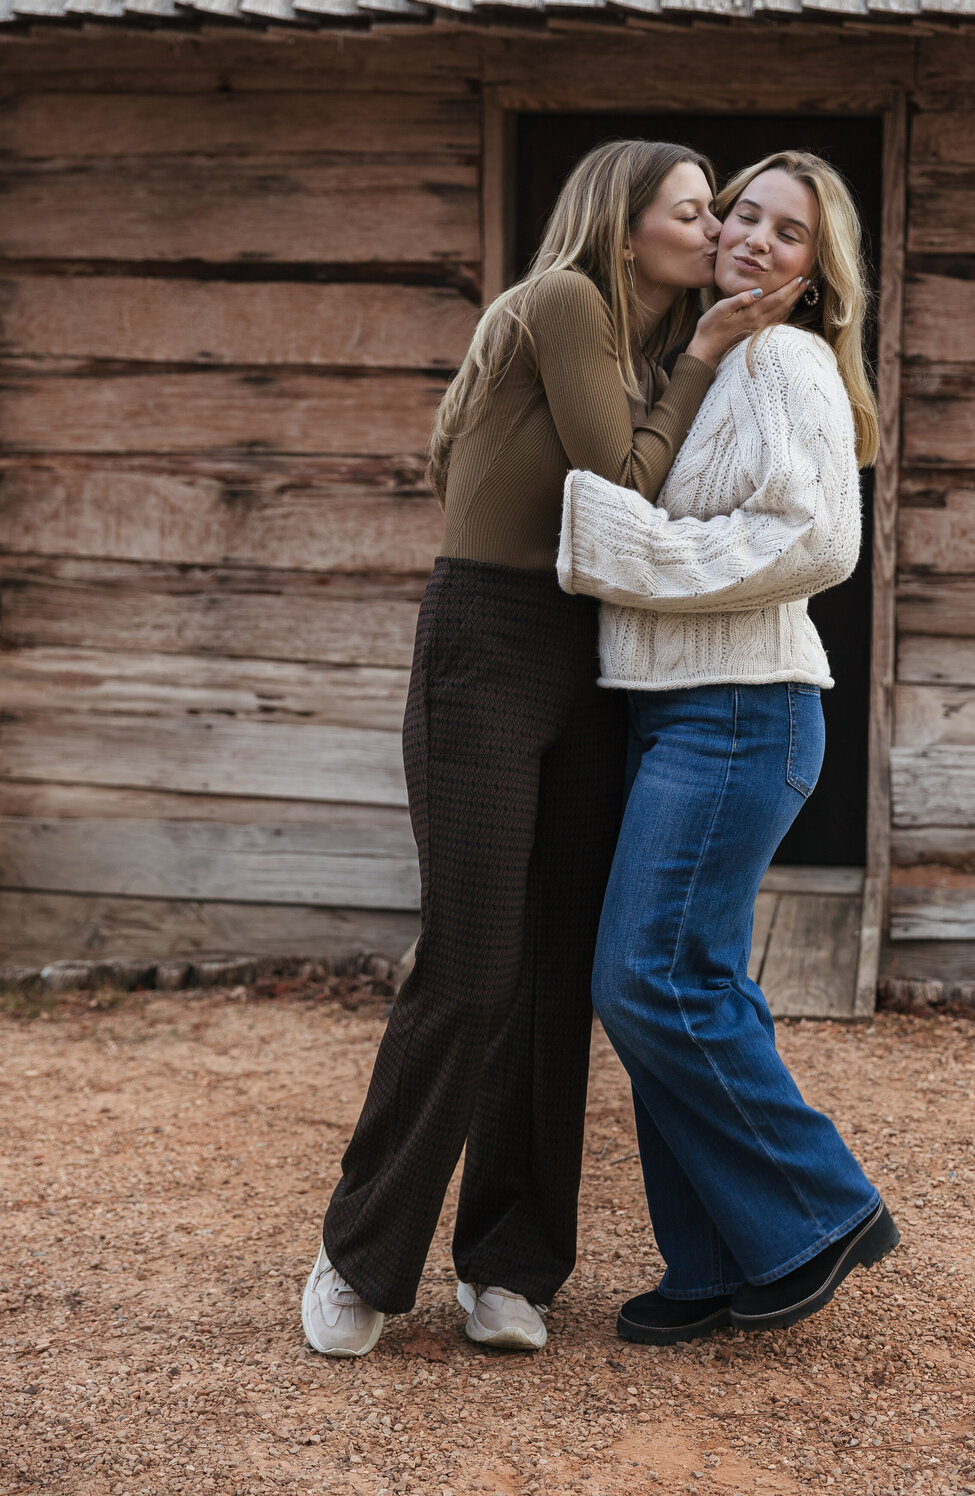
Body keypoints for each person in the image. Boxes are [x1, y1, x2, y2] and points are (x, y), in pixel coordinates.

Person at [301, 139, 806, 1358]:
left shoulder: (639, 346)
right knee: (472, 964)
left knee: (553, 972)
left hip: (596, 659)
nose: (716, 229)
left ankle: (511, 1266)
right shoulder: (573, 301)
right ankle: (359, 1260)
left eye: (721, 212)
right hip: (486, 643)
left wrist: (708, 359)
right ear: (624, 225)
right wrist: (706, 351)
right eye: (692, 211)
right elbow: (624, 477)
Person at [557, 150, 899, 1346]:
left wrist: (629, 557)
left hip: (742, 708)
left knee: (647, 980)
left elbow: (816, 541)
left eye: (788, 232)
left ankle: (818, 1210)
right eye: (741, 215)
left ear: (816, 276)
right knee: (687, 984)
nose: (753, 238)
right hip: (683, 707)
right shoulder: (708, 363)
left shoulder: (786, 359)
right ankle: (710, 1263)